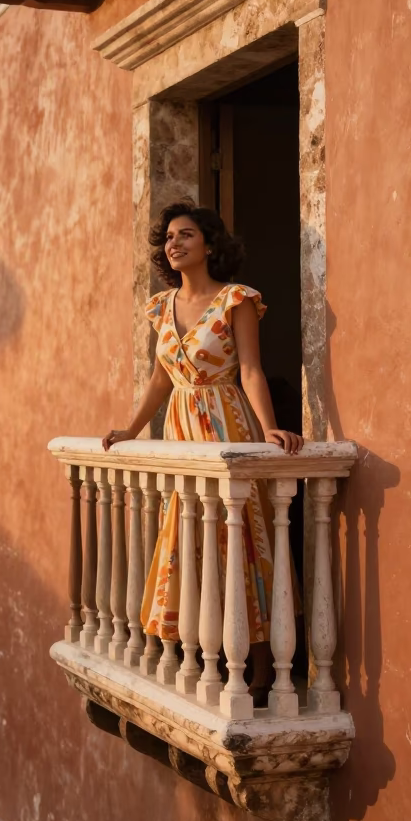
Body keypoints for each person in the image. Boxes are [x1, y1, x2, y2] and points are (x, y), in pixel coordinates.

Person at [102, 201, 303, 705]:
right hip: (181, 430)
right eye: (168, 237)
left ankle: (260, 665)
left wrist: (270, 429)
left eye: (186, 234)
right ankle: (204, 652)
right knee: (191, 538)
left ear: (210, 244)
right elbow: (158, 382)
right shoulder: (160, 308)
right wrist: (128, 429)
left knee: (244, 540)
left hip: (229, 423)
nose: (174, 243)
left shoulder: (236, 299)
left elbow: (251, 371)